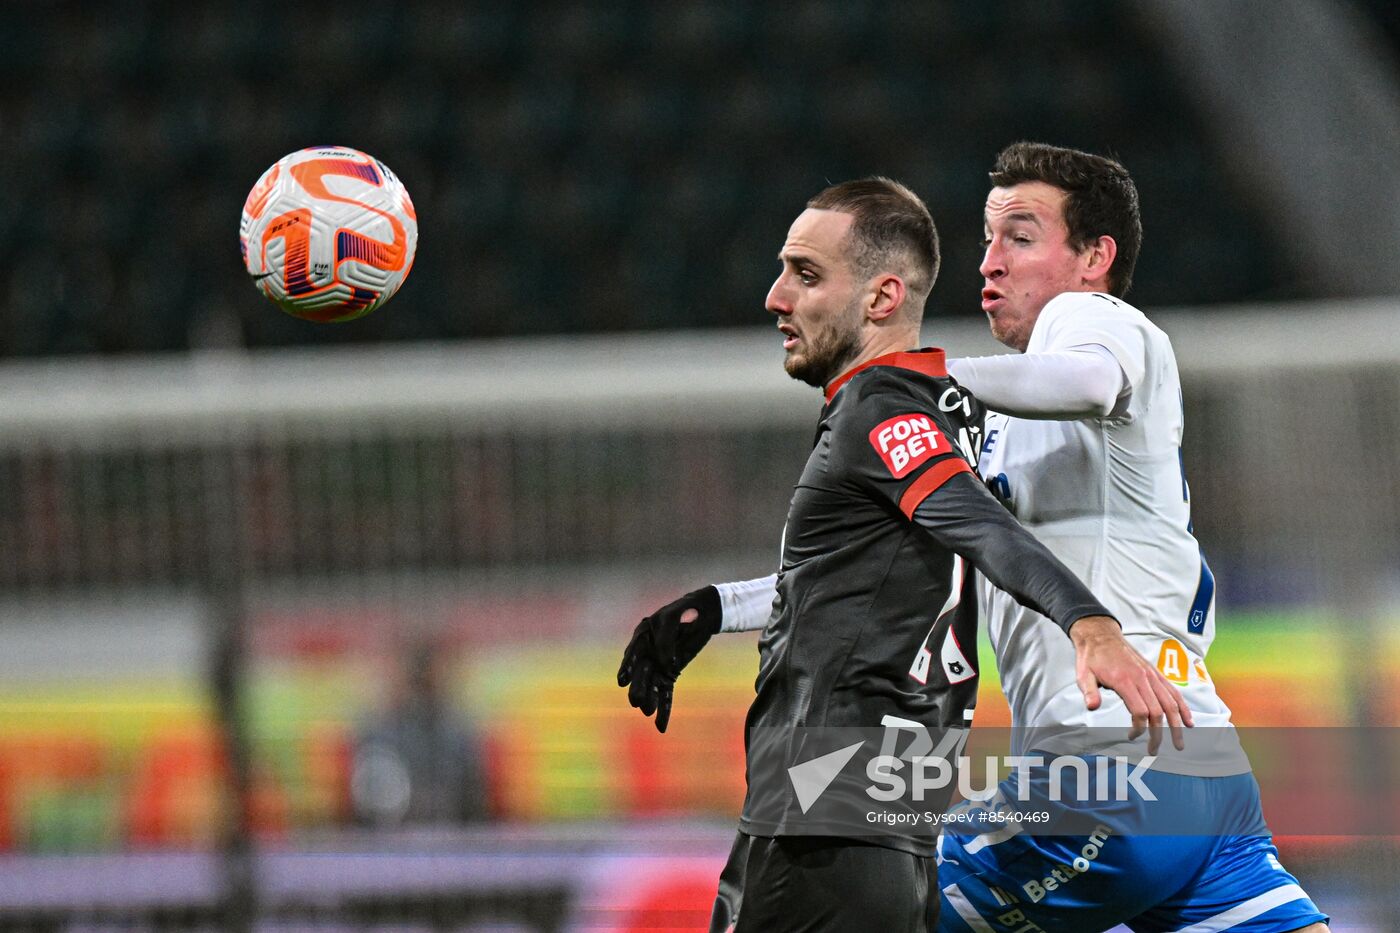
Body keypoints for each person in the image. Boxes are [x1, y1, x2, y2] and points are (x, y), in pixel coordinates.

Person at [633, 146, 1330, 932]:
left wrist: (907, 379)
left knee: (861, 897)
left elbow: (1089, 378)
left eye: (1021, 238)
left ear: (1094, 258)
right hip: (1203, 775)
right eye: (988, 239)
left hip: (1107, 774)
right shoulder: (990, 424)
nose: (991, 262)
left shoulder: (1094, 319)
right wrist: (722, 606)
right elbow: (870, 571)